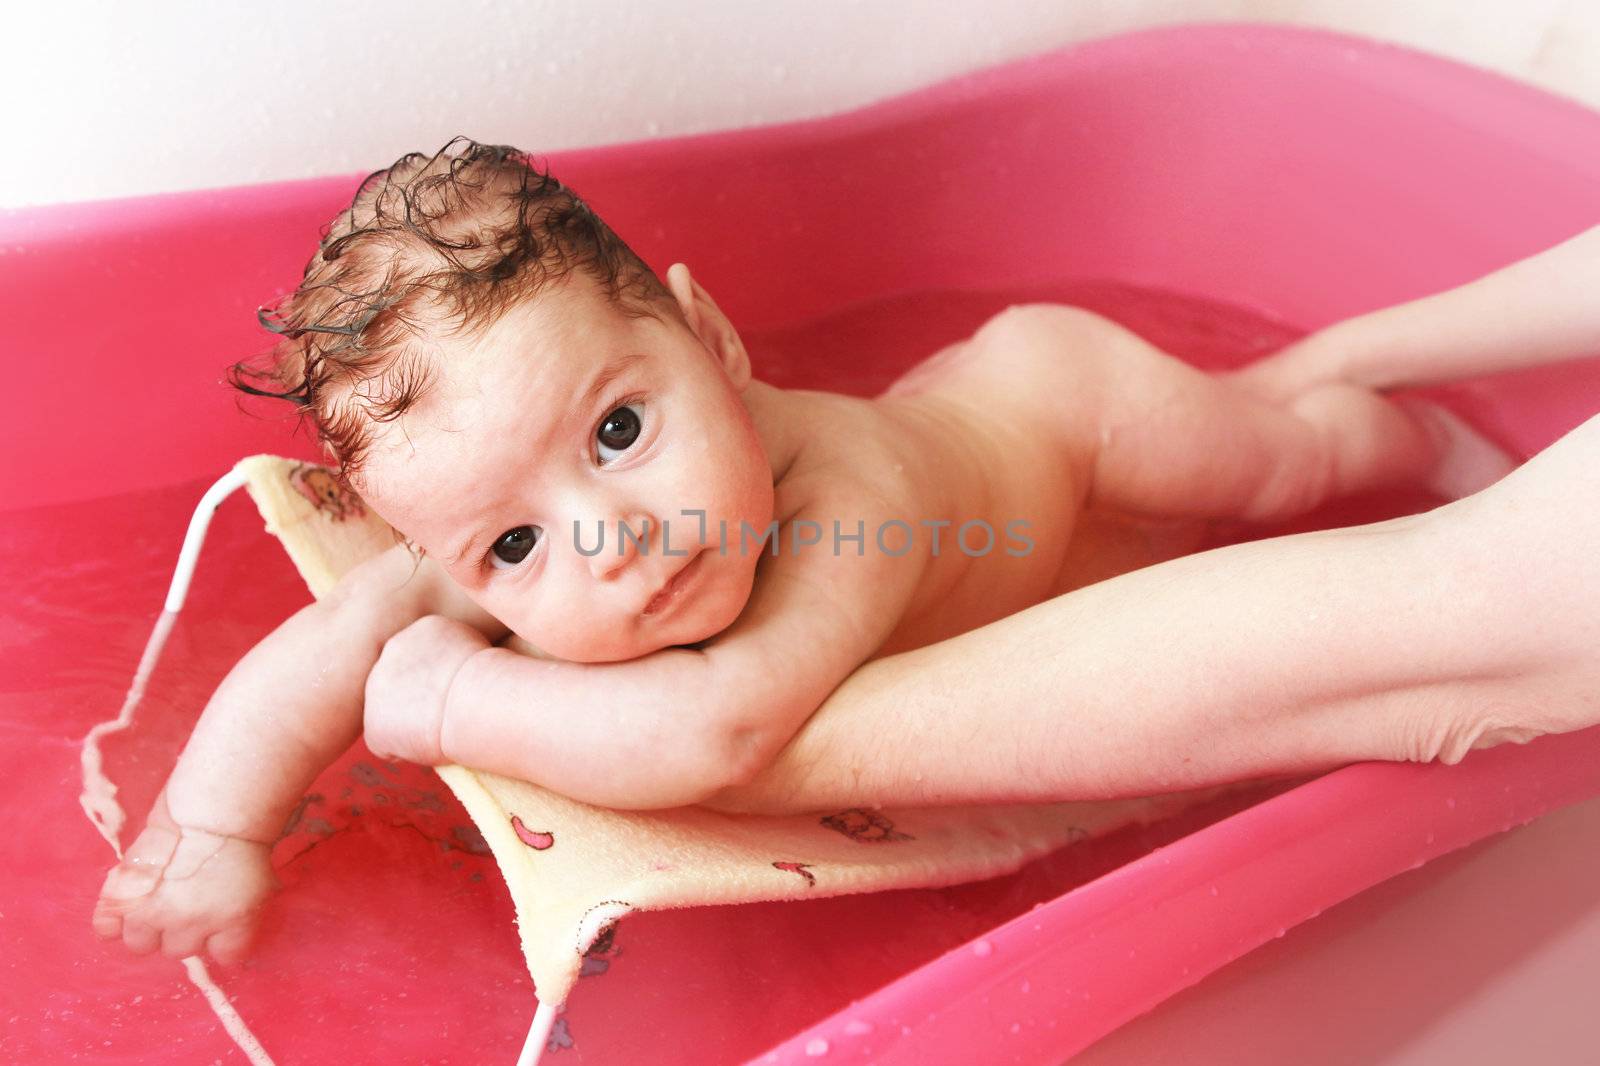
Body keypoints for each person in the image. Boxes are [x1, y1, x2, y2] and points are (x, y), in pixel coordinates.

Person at [89, 137, 1543, 965]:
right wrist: (212, 828)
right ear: (452, 558)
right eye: (517, 544)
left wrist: (455, 702)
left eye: (618, 432)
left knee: (1281, 451)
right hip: (1040, 535)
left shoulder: (843, 495)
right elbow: (323, 654)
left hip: (1067, 411)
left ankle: (1418, 443)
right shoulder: (495, 509)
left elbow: (723, 725)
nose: (617, 540)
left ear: (711, 338)